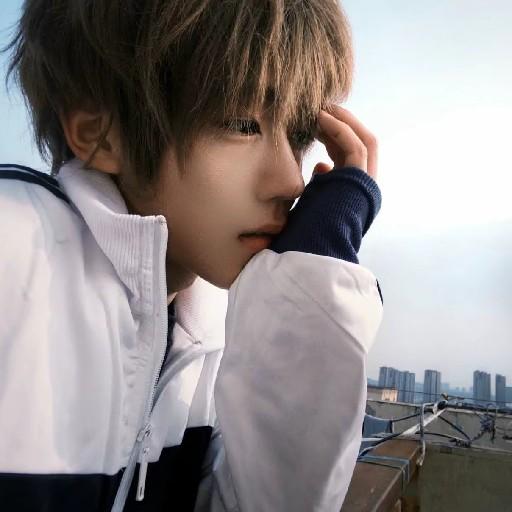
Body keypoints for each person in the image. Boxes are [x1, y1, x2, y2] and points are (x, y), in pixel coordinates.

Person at [0, 0, 383, 510]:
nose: (291, 181)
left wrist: (312, 268)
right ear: (100, 133)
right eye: (242, 124)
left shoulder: (218, 326)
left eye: (297, 136)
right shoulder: (13, 254)